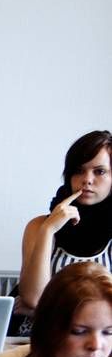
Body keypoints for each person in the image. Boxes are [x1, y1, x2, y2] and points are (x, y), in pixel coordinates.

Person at [18, 130, 112, 315]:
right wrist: (48, 230)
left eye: (99, 171)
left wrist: (46, 311)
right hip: (41, 332)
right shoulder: (39, 226)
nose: (87, 180)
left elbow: (37, 307)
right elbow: (34, 298)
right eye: (78, 171)